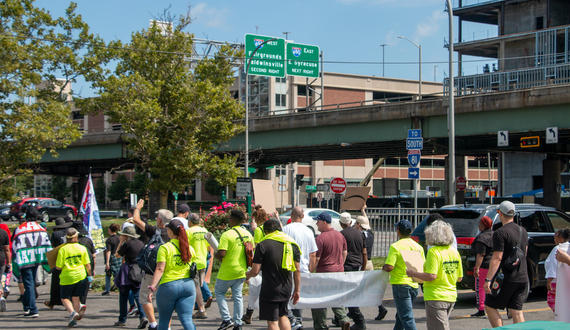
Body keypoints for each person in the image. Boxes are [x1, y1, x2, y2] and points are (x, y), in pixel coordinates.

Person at [407, 220, 463, 330]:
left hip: (436, 296)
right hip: (451, 295)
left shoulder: (434, 252)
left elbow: (431, 275)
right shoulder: (454, 252)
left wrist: (413, 273)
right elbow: (459, 278)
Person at [246, 219, 301, 330]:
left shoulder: (263, 245)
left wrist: (246, 275)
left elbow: (255, 270)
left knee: (272, 321)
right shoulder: (291, 243)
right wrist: (297, 290)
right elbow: (297, 270)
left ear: (265, 231)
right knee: (283, 315)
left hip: (270, 288)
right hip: (287, 287)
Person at [484, 201, 529, 328]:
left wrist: (488, 280)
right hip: (522, 276)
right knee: (516, 310)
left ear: (500, 214)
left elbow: (497, 258)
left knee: (490, 305)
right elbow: (524, 253)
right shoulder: (522, 231)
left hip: (506, 278)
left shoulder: (500, 233)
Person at [131, 199, 173, 330]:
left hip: (153, 270)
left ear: (160, 220)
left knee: (145, 297)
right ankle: (167, 326)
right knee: (167, 302)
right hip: (170, 271)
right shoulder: (175, 233)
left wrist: (138, 207)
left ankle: (153, 323)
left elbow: (136, 220)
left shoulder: (155, 231)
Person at [148, 219, 196, 330]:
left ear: (169, 231)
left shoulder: (165, 248)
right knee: (187, 320)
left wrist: (152, 287)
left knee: (164, 320)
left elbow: (160, 269)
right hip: (188, 285)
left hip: (168, 286)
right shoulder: (190, 248)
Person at [311, 212, 351, 330]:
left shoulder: (320, 238)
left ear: (324, 223)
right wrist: (340, 265)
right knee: (335, 298)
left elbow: (316, 258)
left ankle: (321, 326)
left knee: (320, 301)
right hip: (338, 272)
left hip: (324, 273)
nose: (316, 224)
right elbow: (345, 252)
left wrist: (312, 271)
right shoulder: (340, 235)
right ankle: (344, 319)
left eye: (317, 222)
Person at [215, 209, 253, 330]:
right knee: (238, 296)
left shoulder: (227, 234)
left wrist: (215, 254)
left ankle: (226, 319)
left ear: (232, 219)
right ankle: (238, 323)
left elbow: (221, 254)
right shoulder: (248, 234)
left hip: (227, 271)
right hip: (241, 270)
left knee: (219, 293)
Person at [383, 219, 424, 330]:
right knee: (401, 314)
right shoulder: (418, 247)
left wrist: (384, 267)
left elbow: (389, 267)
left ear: (398, 231)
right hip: (414, 285)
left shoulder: (396, 246)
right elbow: (421, 266)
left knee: (406, 316)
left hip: (400, 284)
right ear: (410, 231)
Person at [12, 207, 52, 318]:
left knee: (29, 283)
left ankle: (33, 309)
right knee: (31, 283)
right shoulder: (40, 228)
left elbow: (15, 245)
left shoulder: (20, 229)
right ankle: (26, 306)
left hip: (24, 258)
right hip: (37, 258)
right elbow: (47, 244)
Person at [283, 206, 318, 329]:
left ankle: (292, 321)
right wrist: (311, 270)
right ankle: (298, 320)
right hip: (303, 269)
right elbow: (313, 254)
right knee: (298, 296)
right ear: (302, 216)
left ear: (291, 215)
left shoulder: (285, 229)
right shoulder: (309, 231)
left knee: (286, 296)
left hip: (287, 268)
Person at [56, 228, 92, 327]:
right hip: (81, 275)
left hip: (67, 276)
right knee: (76, 297)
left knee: (64, 298)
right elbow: (88, 265)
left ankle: (72, 313)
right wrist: (90, 276)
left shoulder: (63, 249)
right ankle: (75, 317)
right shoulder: (82, 248)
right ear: (76, 237)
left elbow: (58, 266)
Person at [114, 226, 148, 328]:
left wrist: (120, 243)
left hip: (127, 270)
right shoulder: (141, 243)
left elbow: (117, 255)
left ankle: (122, 319)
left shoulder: (127, 244)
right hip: (138, 270)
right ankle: (143, 316)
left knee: (124, 295)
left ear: (126, 235)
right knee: (138, 295)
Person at [338, 212, 367, 330]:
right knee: (350, 294)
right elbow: (364, 252)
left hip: (347, 266)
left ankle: (360, 321)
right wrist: (363, 268)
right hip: (358, 265)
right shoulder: (360, 234)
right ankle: (339, 318)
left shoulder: (341, 235)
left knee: (348, 296)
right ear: (351, 222)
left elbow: (341, 253)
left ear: (340, 223)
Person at [44, 218, 73, 310]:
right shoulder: (68, 232)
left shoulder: (55, 234)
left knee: (56, 282)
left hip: (58, 259)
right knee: (67, 282)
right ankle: (68, 302)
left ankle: (53, 301)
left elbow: (52, 246)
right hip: (69, 259)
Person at [187, 212, 211, 320]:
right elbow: (208, 247)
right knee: (198, 286)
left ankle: (201, 309)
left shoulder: (188, 232)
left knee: (196, 286)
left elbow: (185, 247)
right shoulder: (204, 231)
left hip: (193, 262)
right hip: (203, 261)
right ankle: (197, 308)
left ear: (190, 221)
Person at [470, 216, 493, 317]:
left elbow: (481, 254)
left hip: (483, 266)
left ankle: (481, 309)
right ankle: (492, 306)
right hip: (493, 265)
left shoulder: (481, 238)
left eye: (479, 223)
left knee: (481, 288)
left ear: (483, 225)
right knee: (492, 287)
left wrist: (477, 268)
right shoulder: (495, 235)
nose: (478, 225)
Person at [545, 227, 570, 312]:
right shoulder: (568, 247)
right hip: (566, 281)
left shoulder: (557, 249)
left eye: (555, 237)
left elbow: (553, 265)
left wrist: (549, 280)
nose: (554, 239)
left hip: (556, 281)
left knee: (554, 303)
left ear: (560, 238)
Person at [102, 223, 121, 296]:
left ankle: (107, 289)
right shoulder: (119, 238)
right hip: (119, 256)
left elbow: (108, 251)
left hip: (112, 257)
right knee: (118, 273)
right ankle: (120, 287)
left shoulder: (109, 240)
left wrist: (107, 262)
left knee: (108, 273)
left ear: (109, 230)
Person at [0, 218, 10, 312]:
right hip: (1, 259)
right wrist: (9, 262)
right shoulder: (4, 233)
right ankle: (1, 298)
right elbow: (7, 249)